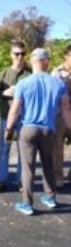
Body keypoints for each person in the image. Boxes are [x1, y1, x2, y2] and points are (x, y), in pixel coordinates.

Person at [5, 48, 71, 215]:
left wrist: (9, 128)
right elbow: (66, 109)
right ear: (46, 61)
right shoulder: (58, 83)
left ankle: (27, 203)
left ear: (33, 61)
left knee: (28, 167)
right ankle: (50, 197)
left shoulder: (24, 83)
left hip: (28, 128)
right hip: (49, 130)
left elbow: (15, 110)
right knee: (48, 163)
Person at [0, 40, 32, 192]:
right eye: (16, 54)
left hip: (24, 118)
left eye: (23, 54)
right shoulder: (4, 73)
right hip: (7, 118)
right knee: (5, 149)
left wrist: (20, 92)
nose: (20, 57)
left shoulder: (30, 73)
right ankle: (1, 179)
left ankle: (21, 181)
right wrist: (5, 92)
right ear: (11, 55)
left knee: (23, 149)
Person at [51, 46, 71, 188]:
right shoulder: (56, 73)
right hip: (60, 114)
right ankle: (58, 176)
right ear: (66, 56)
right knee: (58, 147)